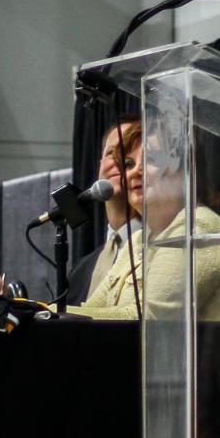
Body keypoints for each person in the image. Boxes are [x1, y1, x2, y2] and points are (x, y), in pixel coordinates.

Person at [65, 117, 220, 436]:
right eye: (129, 163)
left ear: (186, 172)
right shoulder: (139, 242)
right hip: (177, 415)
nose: (135, 172)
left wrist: (46, 317)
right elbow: (92, 309)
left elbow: (143, 320)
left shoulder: (197, 228)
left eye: (153, 160)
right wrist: (34, 313)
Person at [67, 117, 142, 303]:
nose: (118, 160)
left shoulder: (162, 248)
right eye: (111, 153)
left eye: (127, 154)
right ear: (100, 165)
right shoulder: (82, 269)